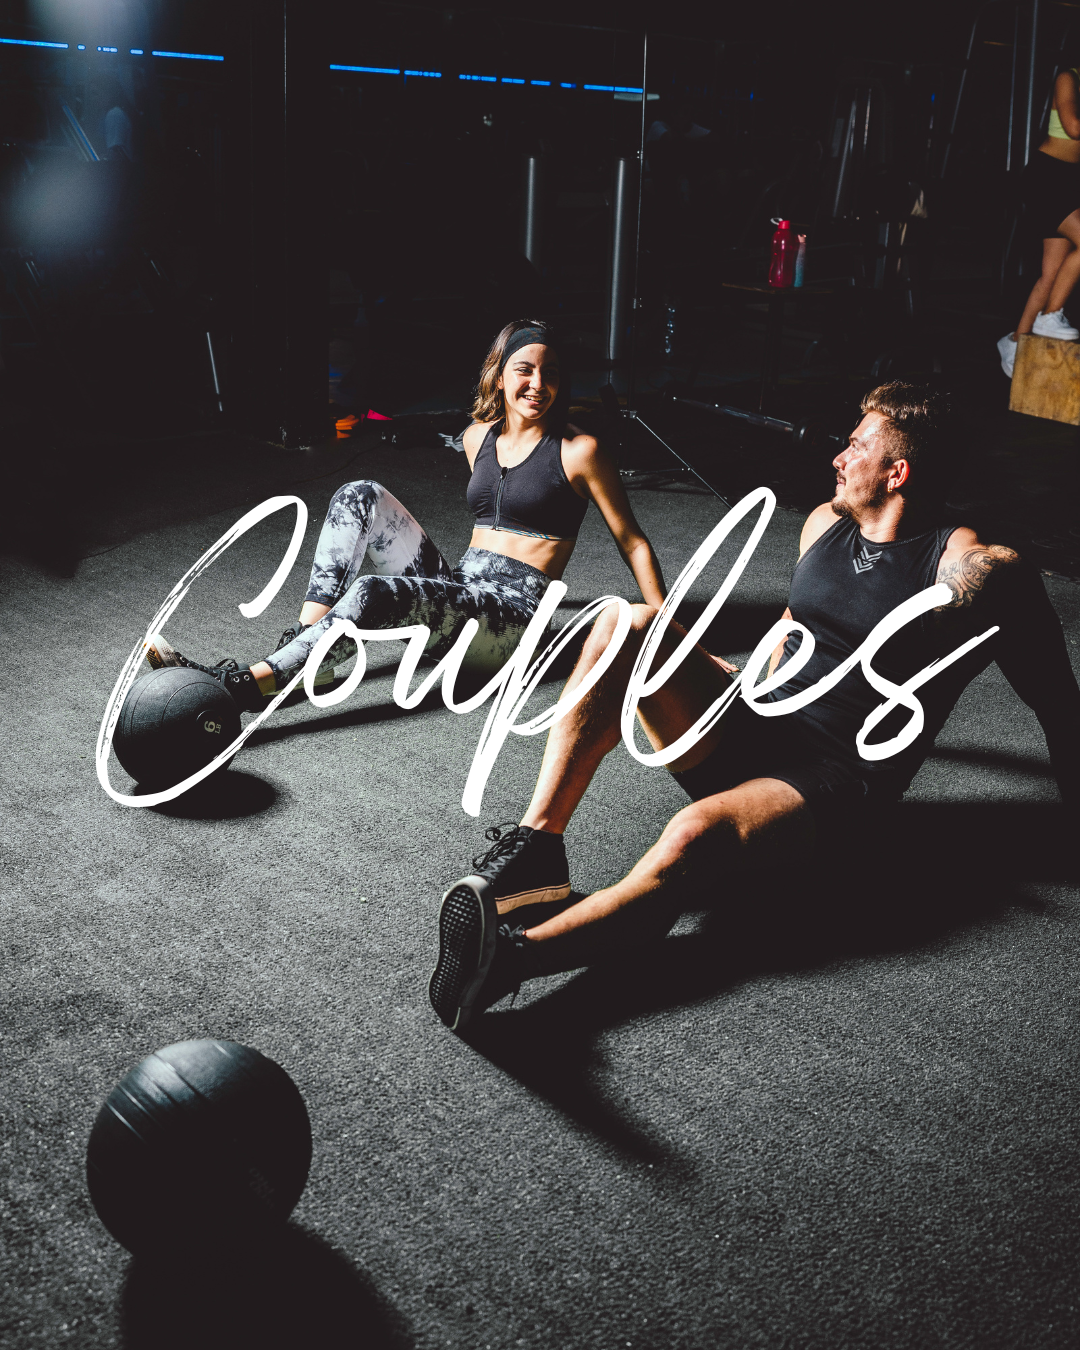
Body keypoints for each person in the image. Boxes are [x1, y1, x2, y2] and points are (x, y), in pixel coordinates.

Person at [428, 381, 1080, 1033]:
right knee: (628, 623)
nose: (838, 458)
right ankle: (540, 844)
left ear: (897, 472)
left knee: (692, 836)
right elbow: (797, 625)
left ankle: (512, 958)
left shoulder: (978, 575)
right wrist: (731, 678)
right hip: (757, 727)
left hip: (832, 783)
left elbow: (1058, 702)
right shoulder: (826, 524)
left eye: (856, 447)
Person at [144, 320, 676, 712]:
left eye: (550, 373)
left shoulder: (580, 451)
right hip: (462, 588)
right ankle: (305, 648)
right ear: (499, 377)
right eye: (525, 369)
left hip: (510, 622)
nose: (538, 383)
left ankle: (242, 686)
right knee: (359, 493)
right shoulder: (478, 438)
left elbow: (632, 541)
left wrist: (671, 634)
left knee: (374, 592)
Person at [998, 64, 1080, 376]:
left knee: (1052, 273)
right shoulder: (1068, 78)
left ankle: (1015, 342)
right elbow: (1073, 127)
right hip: (1047, 177)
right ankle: (1050, 316)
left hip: (1069, 180)